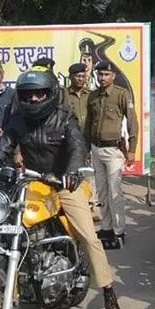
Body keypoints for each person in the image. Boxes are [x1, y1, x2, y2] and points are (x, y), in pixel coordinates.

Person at [0, 68, 125, 309]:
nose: (34, 99)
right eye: (29, 94)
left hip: (63, 183)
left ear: (50, 94)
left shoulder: (64, 117)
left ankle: (109, 295)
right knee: (6, 226)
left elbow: (76, 146)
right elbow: (3, 147)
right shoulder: (17, 120)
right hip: (33, 182)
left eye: (39, 94)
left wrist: (72, 171)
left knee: (89, 237)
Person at [85, 60, 138, 248]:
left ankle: (118, 231)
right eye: (100, 74)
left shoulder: (121, 95)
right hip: (96, 148)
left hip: (113, 150)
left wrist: (132, 149)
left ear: (113, 76)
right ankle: (106, 227)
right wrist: (86, 148)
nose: (102, 78)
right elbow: (88, 123)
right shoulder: (93, 96)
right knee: (101, 192)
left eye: (106, 74)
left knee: (115, 192)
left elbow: (132, 123)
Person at [62, 62, 100, 221]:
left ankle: (91, 206)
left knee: (89, 174)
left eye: (83, 76)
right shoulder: (63, 95)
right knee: (71, 173)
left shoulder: (91, 95)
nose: (80, 79)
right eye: (77, 76)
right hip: (69, 141)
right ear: (71, 77)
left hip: (87, 140)